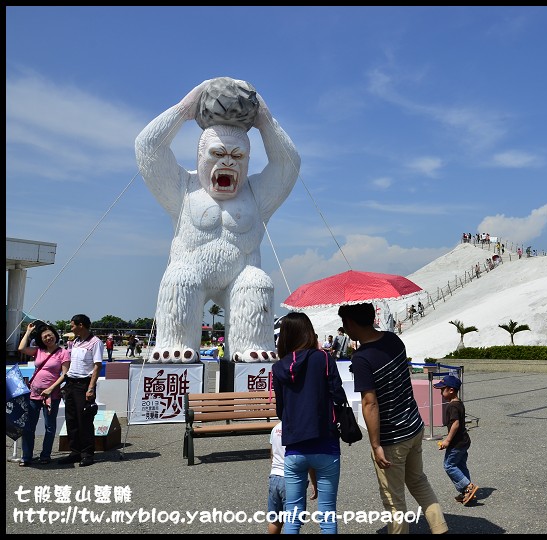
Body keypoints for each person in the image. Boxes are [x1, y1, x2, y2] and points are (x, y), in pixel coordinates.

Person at [135, 77, 299, 364]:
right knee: (179, 278)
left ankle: (250, 346)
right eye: (218, 154)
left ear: (247, 161)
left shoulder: (256, 194)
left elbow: (288, 163)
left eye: (238, 156)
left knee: (257, 282)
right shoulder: (182, 188)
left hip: (240, 275)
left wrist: (266, 121)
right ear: (200, 157)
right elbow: (148, 147)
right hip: (191, 271)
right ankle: (175, 343)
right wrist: (184, 109)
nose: (228, 162)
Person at [338, 302, 448, 534]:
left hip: (392, 437)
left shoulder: (362, 358)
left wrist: (375, 444)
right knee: (418, 480)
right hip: (414, 425)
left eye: (344, 324)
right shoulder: (393, 339)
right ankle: (440, 528)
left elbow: (370, 402)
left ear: (350, 323)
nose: (344, 329)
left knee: (393, 498)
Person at [271, 312, 346, 534]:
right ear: (308, 332)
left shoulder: (279, 367)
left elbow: (280, 410)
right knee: (327, 515)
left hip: (294, 447)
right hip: (326, 444)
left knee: (292, 518)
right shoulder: (323, 358)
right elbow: (339, 396)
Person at [17, 322, 71, 466]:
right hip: (34, 393)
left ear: (55, 335)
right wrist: (28, 332)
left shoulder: (63, 352)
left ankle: (45, 455)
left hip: (51, 395)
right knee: (29, 426)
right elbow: (21, 348)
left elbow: (65, 375)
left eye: (50, 335)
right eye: (45, 336)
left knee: (49, 426)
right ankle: (26, 456)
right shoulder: (38, 350)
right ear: (41, 339)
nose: (48, 338)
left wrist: (51, 388)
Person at [59, 314, 103, 467]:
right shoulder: (75, 341)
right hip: (71, 383)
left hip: (84, 384)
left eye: (72, 325)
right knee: (71, 419)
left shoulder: (95, 342)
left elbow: (97, 366)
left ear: (81, 325)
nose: (71, 328)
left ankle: (87, 454)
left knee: (84, 420)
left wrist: (90, 388)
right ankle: (75, 451)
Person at [434, 374, 479, 506]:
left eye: (443, 389)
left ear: (451, 390)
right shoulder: (459, 403)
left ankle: (467, 487)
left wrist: (447, 440)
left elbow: (455, 424)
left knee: (449, 465)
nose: (441, 392)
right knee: (460, 465)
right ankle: (467, 492)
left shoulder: (451, 406)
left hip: (456, 443)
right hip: (464, 441)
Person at [267, 421, 317, 534]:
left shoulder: (275, 428)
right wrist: (314, 482)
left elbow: (272, 455)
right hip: (292, 479)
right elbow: (306, 460)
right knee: (292, 521)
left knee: (275, 520)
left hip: (274, 476)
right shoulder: (299, 428)